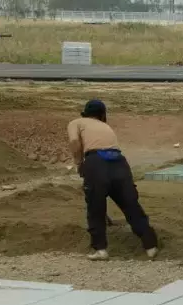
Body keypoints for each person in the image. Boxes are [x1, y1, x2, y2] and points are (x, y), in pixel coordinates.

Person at [67, 99, 158, 261]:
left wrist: (79, 163)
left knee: (96, 207)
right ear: (102, 115)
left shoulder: (76, 122)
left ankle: (100, 250)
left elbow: (74, 141)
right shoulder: (106, 126)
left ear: (85, 113)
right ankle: (151, 245)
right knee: (130, 204)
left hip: (96, 161)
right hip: (119, 161)